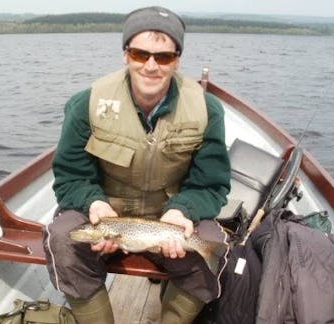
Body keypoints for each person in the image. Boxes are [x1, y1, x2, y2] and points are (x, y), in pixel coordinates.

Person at [43, 6, 231, 324]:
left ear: (177, 60)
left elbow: (211, 185)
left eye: (164, 57)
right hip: (107, 214)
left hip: (170, 217)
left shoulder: (206, 109)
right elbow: (70, 177)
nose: (151, 66)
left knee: (216, 250)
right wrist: (94, 204)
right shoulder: (85, 104)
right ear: (126, 55)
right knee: (62, 239)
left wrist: (182, 211)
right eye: (140, 54)